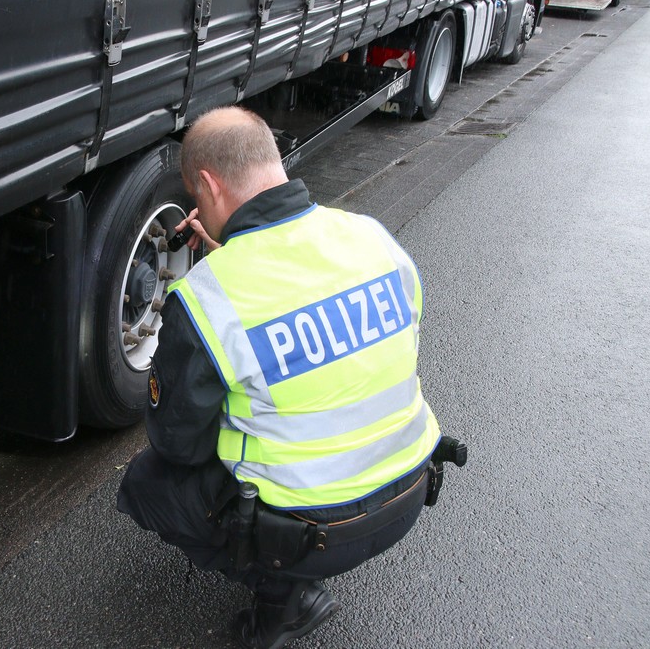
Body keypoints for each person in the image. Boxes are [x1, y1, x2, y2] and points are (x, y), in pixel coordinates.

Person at [117, 106, 445, 649]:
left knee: (146, 484)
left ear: (207, 185)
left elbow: (176, 442)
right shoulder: (372, 238)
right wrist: (233, 251)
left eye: (198, 200)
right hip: (407, 495)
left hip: (317, 533)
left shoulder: (210, 297)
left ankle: (286, 601)